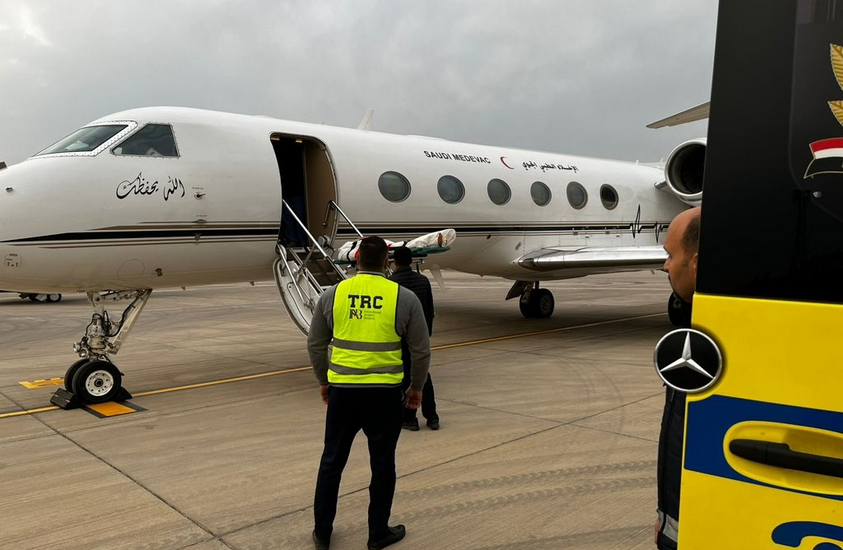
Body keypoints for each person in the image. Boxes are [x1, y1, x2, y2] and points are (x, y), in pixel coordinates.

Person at [308, 235, 431, 550]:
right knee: (382, 463)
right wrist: (416, 388)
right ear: (386, 261)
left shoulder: (332, 294)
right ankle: (377, 533)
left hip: (343, 393)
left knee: (332, 461)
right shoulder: (403, 298)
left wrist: (324, 380)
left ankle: (322, 532)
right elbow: (420, 350)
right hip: (384, 395)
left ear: (357, 259)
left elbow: (316, 344)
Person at [655, 206, 701, 550]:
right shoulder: (694, 331)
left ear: (697, 263)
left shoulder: (708, 343)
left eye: (671, 255)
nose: (665, 266)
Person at [389, 246, 440, 431]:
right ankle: (432, 416)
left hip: (402, 337)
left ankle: (410, 418)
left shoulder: (391, 284)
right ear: (411, 261)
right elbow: (430, 309)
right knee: (422, 374)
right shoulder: (423, 281)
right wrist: (427, 333)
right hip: (420, 335)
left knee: (405, 377)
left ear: (395, 262)